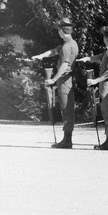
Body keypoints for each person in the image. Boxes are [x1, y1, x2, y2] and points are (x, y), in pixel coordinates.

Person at [31, 18, 79, 149]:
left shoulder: (66, 47)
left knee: (66, 109)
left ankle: (67, 140)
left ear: (61, 31)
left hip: (64, 80)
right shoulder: (71, 43)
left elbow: (64, 65)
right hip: (67, 79)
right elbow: (54, 51)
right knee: (66, 109)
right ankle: (67, 138)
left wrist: (53, 79)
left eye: (58, 29)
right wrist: (41, 55)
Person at [83, 25, 108, 150]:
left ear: (105, 37)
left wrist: (95, 81)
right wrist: (88, 58)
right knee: (106, 112)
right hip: (106, 84)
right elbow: (100, 57)